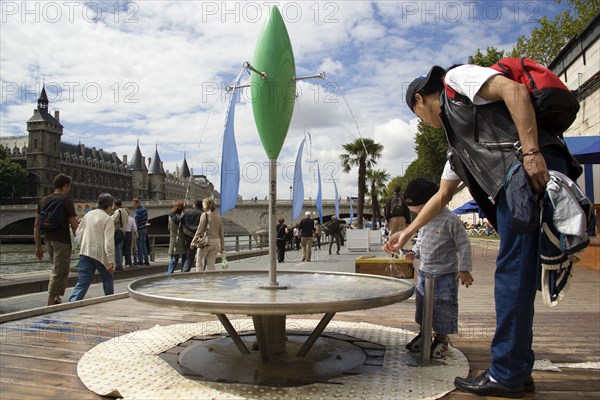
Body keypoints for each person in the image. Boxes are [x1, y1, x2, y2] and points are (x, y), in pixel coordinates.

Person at [385, 63, 581, 397]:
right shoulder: (457, 147)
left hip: (524, 172)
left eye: (419, 116)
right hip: (520, 180)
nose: (425, 123)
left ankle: (506, 374)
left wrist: (531, 152)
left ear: (420, 99)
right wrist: (407, 233)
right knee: (518, 277)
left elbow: (514, 91)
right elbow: (442, 196)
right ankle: (516, 367)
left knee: (511, 276)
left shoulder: (455, 81)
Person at [400, 178, 473, 359]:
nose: (417, 212)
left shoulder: (450, 220)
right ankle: (424, 332)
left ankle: (441, 337)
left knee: (443, 306)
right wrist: (414, 253)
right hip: (425, 272)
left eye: (418, 208)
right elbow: (421, 240)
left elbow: (464, 245)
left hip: (445, 274)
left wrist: (464, 269)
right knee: (423, 304)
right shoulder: (423, 220)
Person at [34, 173, 78, 306]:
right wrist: (82, 241)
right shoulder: (66, 201)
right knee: (59, 271)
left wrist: (38, 246)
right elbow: (74, 225)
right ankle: (50, 302)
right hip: (62, 240)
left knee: (57, 268)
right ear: (66, 186)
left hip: (48, 239)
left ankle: (57, 297)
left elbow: (36, 225)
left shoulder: (43, 201)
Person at [68, 193, 116, 301]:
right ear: (109, 205)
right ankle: (109, 300)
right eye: (112, 205)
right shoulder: (108, 219)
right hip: (101, 254)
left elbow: (78, 233)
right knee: (107, 278)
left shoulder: (88, 214)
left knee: (83, 281)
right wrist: (111, 260)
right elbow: (109, 242)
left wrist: (81, 246)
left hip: (86, 251)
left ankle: (72, 302)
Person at [192, 198, 224, 271]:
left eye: (203, 204)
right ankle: (211, 281)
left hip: (206, 242)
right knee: (211, 264)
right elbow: (221, 234)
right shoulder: (218, 217)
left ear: (206, 205)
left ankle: (201, 280)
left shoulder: (205, 214)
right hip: (216, 243)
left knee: (199, 263)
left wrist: (193, 242)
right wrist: (222, 247)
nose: (202, 206)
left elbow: (199, 230)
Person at [175, 200, 203, 272]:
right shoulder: (202, 213)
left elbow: (179, 220)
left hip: (188, 236)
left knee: (189, 257)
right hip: (200, 237)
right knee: (202, 257)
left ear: (194, 205)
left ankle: (185, 272)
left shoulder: (187, 212)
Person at [167, 200, 186, 274]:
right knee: (184, 260)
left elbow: (169, 228)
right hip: (182, 240)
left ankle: (169, 274)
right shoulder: (183, 217)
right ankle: (183, 274)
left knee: (173, 260)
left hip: (173, 239)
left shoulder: (170, 217)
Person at [112, 200, 129, 271]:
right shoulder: (125, 211)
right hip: (123, 231)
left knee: (117, 248)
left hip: (118, 231)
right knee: (120, 248)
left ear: (115, 205)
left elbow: (114, 220)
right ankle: (120, 263)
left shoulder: (118, 211)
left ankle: (118, 264)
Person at [131, 198, 150, 266]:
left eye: (134, 204)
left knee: (139, 245)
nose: (133, 206)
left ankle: (140, 260)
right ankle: (146, 260)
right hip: (144, 229)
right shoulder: (144, 209)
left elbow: (136, 220)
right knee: (144, 245)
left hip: (139, 229)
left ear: (137, 203)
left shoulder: (139, 210)